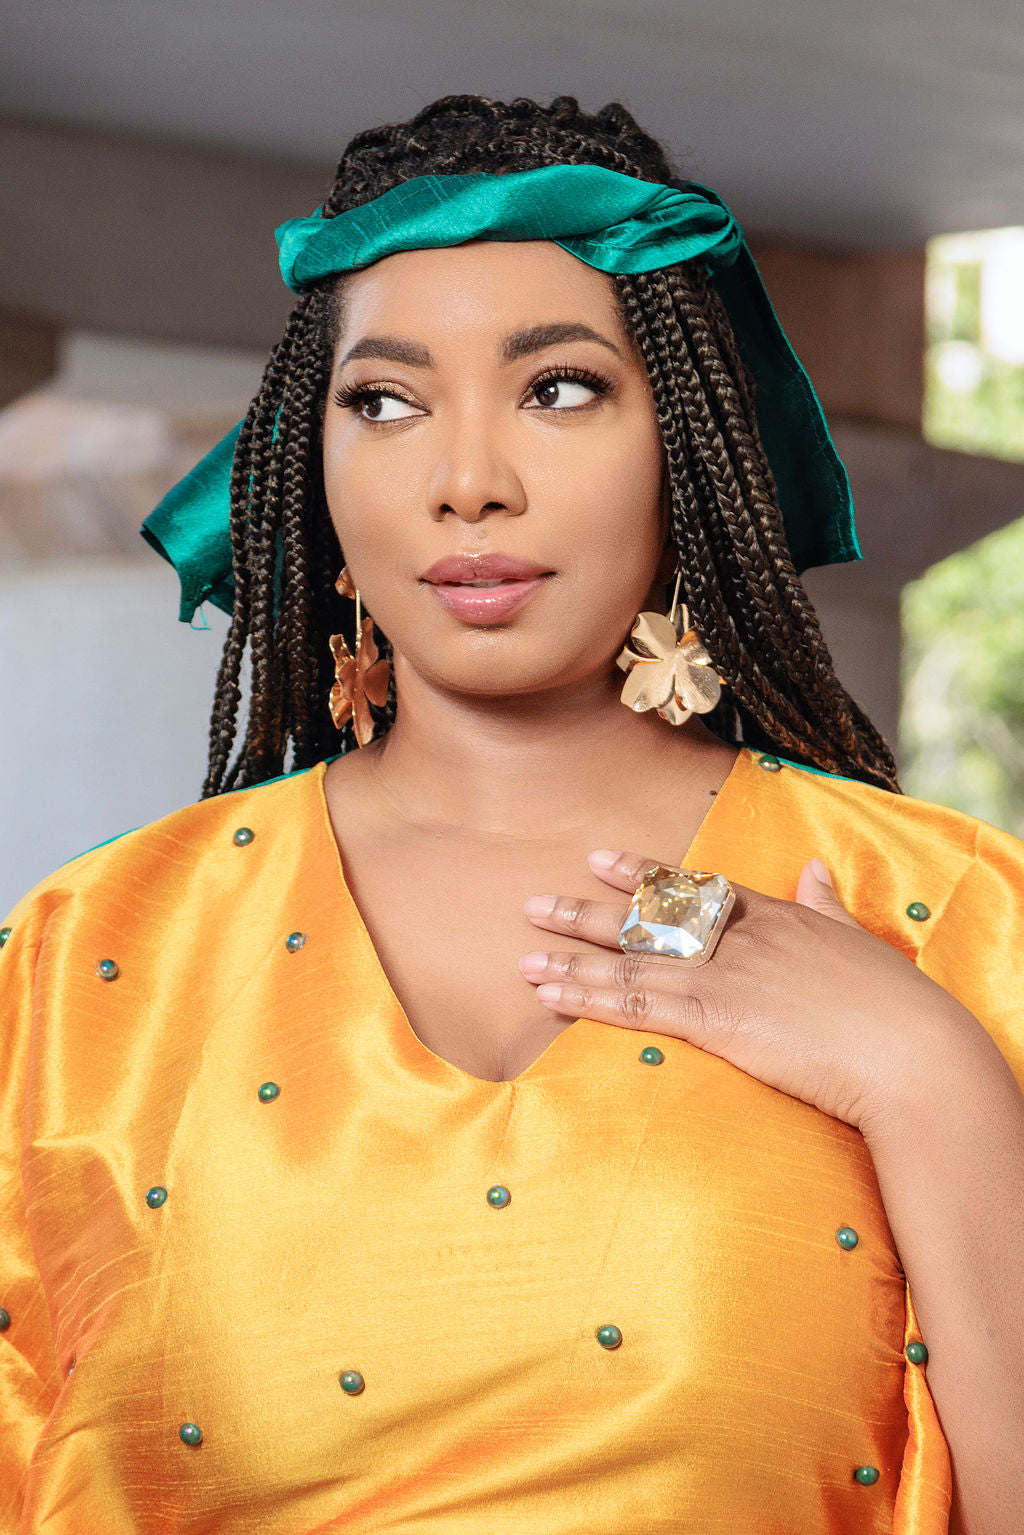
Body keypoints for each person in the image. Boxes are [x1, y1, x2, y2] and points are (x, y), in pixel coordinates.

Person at [1, 92, 1021, 1535]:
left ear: (687, 448)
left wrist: (927, 1077)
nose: (468, 483)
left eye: (559, 389)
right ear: (311, 462)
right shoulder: (88, 954)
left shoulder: (956, 914)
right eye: (385, 402)